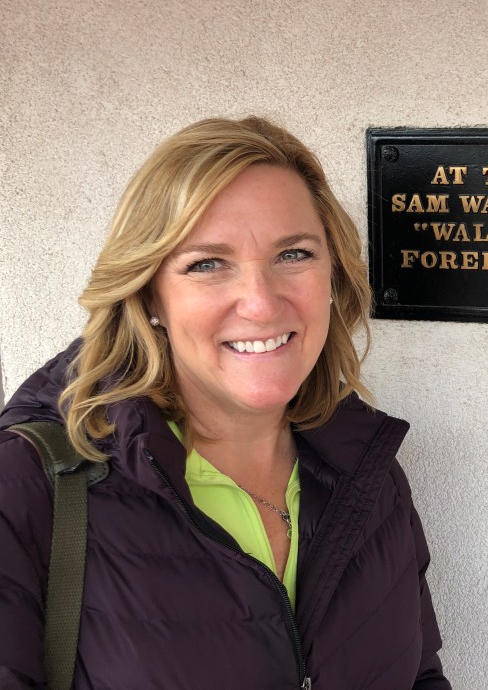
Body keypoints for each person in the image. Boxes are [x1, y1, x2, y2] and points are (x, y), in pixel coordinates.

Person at [0, 117, 452, 689]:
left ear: (333, 275)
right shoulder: (29, 489)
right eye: (207, 264)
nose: (260, 304)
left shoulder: (369, 474)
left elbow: (420, 676)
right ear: (149, 294)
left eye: (294, 254)